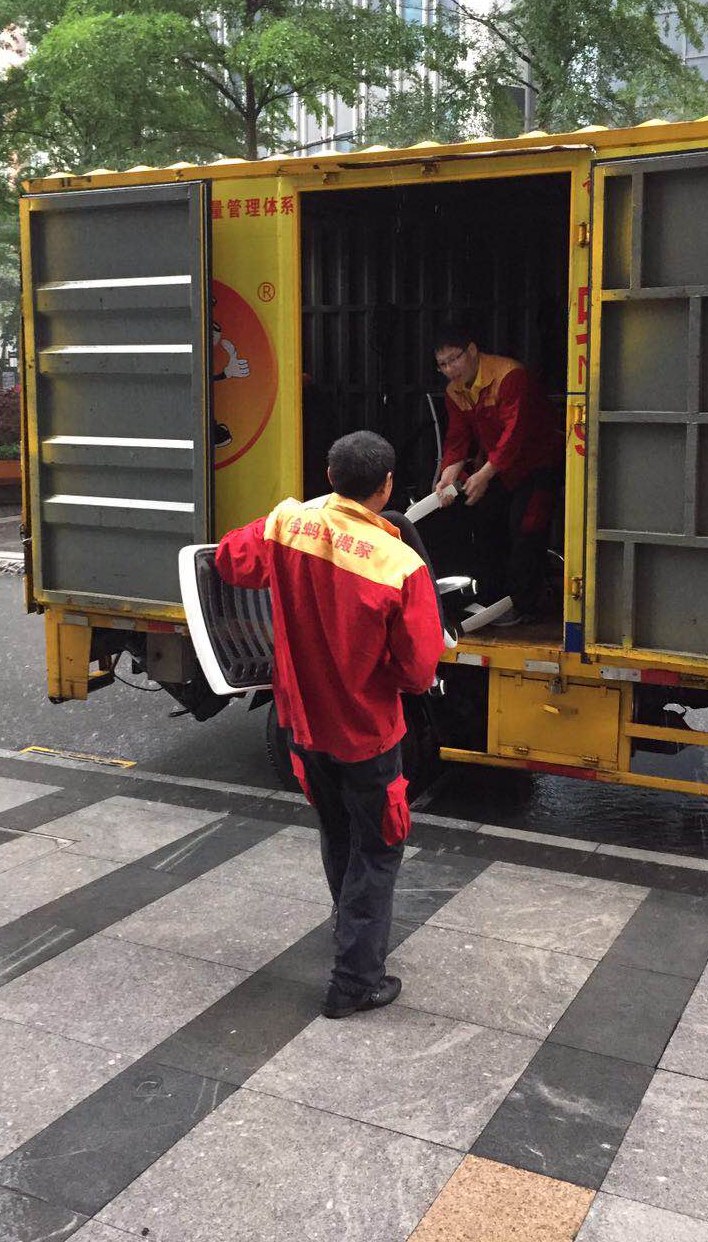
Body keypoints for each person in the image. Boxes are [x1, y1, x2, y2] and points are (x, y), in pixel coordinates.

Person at [214, 430, 444, 1019]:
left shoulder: (288, 524)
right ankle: (355, 981)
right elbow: (418, 671)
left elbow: (228, 559)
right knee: (378, 848)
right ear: (386, 485)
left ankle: (348, 931)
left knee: (337, 831)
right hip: (366, 733)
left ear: (329, 476)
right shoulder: (400, 564)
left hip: (301, 725)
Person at [433, 319, 561, 623]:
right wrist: (448, 472)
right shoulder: (454, 391)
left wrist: (484, 474)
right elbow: (458, 437)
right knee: (485, 526)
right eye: (442, 364)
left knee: (526, 530)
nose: (450, 369)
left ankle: (524, 606)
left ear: (472, 350)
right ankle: (491, 601)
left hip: (536, 464)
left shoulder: (510, 376)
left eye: (454, 359)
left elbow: (514, 435)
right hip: (498, 469)